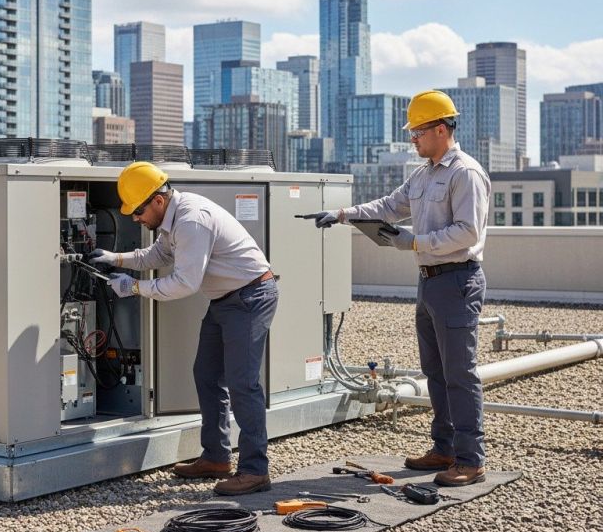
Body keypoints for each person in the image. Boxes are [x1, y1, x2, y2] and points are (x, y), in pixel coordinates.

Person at [313, 90, 490, 487]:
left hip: (458, 279)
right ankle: (444, 449)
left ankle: (471, 460)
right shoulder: (425, 173)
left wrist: (413, 241)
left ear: (441, 129)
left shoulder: (466, 174)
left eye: (418, 132)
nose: (413, 139)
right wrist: (342, 214)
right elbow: (389, 207)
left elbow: (467, 232)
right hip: (430, 283)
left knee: (460, 374)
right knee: (436, 371)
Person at [89, 161, 279, 495]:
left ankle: (254, 470)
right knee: (206, 375)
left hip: (250, 297)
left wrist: (132, 288)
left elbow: (183, 283)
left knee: (243, 383)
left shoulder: (191, 219)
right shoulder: (172, 219)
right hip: (226, 299)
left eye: (138, 211)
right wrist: (116, 259)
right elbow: (157, 256)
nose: (135, 219)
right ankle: (217, 457)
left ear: (158, 200)